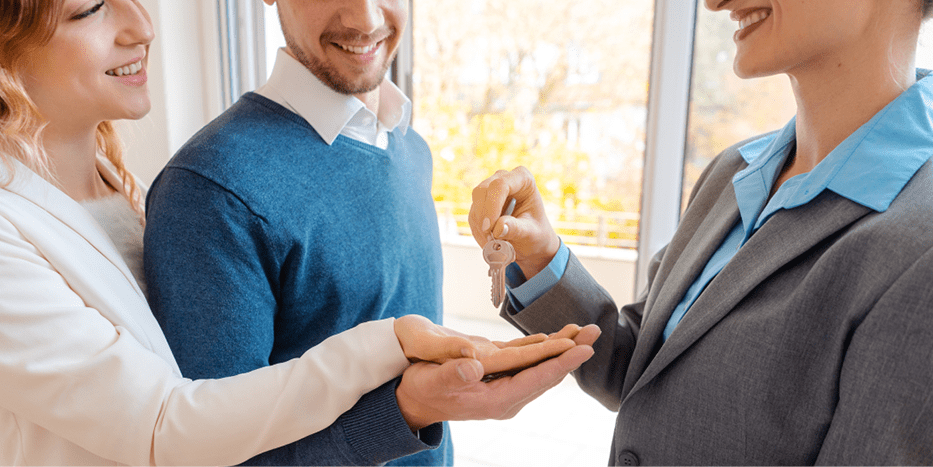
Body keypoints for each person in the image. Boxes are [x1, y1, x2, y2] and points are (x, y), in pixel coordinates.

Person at [0, 0, 599, 465]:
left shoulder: (407, 146)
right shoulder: (207, 188)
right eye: (87, 8)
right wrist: (400, 386)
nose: (144, 26)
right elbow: (185, 434)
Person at [469, 0, 933, 464]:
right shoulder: (735, 170)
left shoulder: (921, 252)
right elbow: (642, 367)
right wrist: (543, 257)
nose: (713, 2)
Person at [143, 0, 535, 464]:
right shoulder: (208, 191)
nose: (366, 21)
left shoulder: (410, 148)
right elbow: (210, 455)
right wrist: (403, 414)